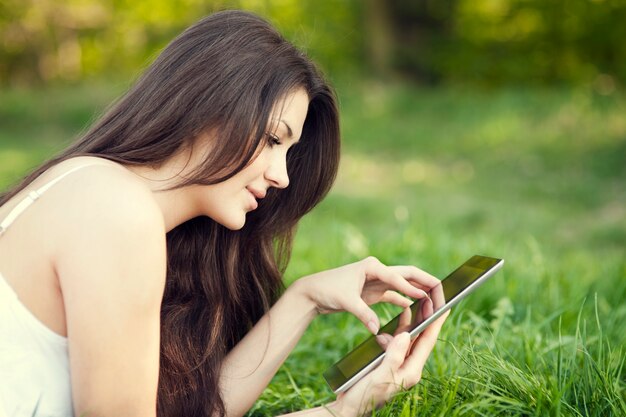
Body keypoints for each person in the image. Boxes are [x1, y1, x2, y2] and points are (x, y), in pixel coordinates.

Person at [0, 10, 448, 417]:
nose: (282, 177)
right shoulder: (118, 215)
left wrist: (305, 299)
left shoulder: (85, 178)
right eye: (274, 140)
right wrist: (341, 413)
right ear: (210, 103)